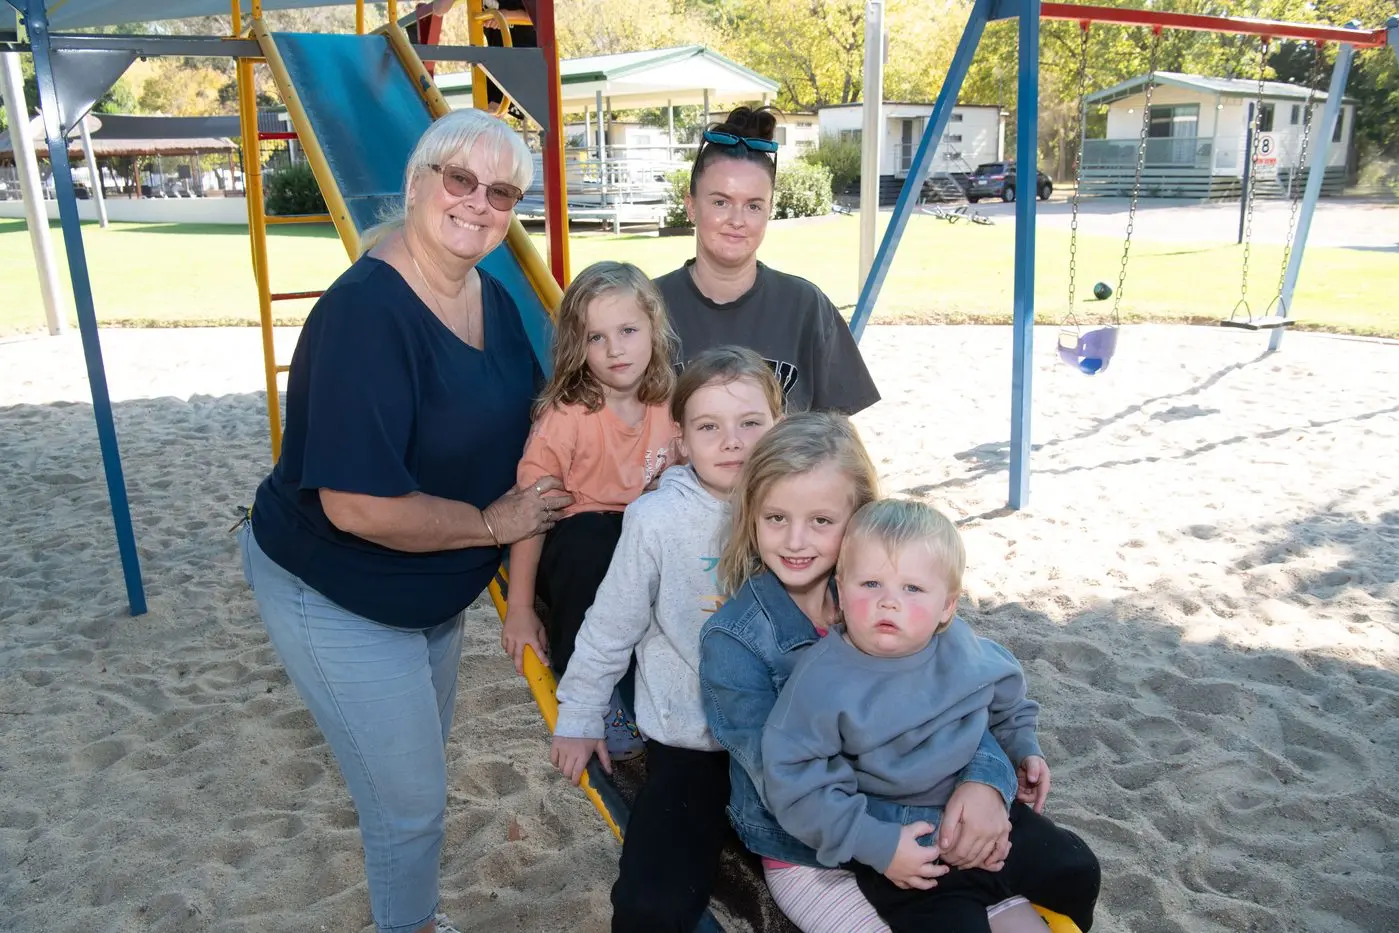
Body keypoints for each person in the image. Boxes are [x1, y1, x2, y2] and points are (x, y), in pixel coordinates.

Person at [237, 108, 573, 933]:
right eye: (459, 180)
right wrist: (492, 527)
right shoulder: (366, 315)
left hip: (428, 590)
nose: (478, 204)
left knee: (417, 780)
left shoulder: (487, 294)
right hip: (337, 586)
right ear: (417, 184)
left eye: (502, 192)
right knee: (411, 804)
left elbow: (537, 426)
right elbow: (358, 506)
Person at [702, 415, 1044, 933]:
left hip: (928, 815)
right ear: (750, 516)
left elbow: (959, 699)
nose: (796, 541)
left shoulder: (893, 596)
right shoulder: (736, 642)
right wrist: (885, 842)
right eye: (776, 518)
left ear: (862, 518)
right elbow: (786, 778)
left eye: (821, 521)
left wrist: (986, 782)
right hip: (814, 850)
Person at [761, 499, 1101, 933]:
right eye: (870, 584)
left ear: (947, 606)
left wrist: (1022, 747)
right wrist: (878, 845)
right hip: (906, 846)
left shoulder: (960, 648)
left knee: (1076, 869)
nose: (889, 602)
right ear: (840, 592)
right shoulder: (820, 682)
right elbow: (794, 782)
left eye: (912, 589)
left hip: (983, 813)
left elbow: (1006, 695)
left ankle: (1033, 908)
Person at [548, 346, 784, 932]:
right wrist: (579, 714)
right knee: (650, 903)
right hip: (691, 741)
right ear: (680, 438)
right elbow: (609, 626)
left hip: (788, 738)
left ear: (779, 426)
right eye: (710, 427)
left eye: (750, 424)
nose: (732, 442)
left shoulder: (801, 507)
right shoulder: (656, 520)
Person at [501, 260, 679, 761]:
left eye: (627, 330)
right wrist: (517, 609)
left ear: (654, 329)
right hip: (575, 545)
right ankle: (593, 694)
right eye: (596, 337)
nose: (615, 348)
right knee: (591, 540)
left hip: (641, 541)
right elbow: (531, 512)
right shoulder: (568, 417)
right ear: (577, 347)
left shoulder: (671, 402)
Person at [654, 106, 879, 415]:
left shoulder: (804, 307)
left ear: (770, 210)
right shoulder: (647, 308)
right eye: (720, 202)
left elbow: (834, 436)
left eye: (754, 206)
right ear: (691, 206)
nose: (737, 220)